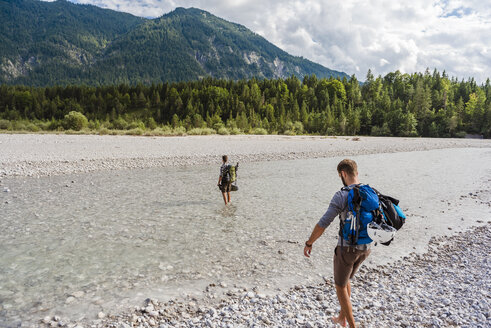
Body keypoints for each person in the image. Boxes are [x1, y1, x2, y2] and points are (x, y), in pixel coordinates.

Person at [303, 159, 371, 328]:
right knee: (346, 278)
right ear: (357, 172)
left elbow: (323, 224)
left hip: (347, 249)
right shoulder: (370, 192)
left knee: (340, 286)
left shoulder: (341, 195)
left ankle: (352, 326)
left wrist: (309, 242)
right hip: (366, 247)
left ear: (343, 174)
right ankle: (342, 317)